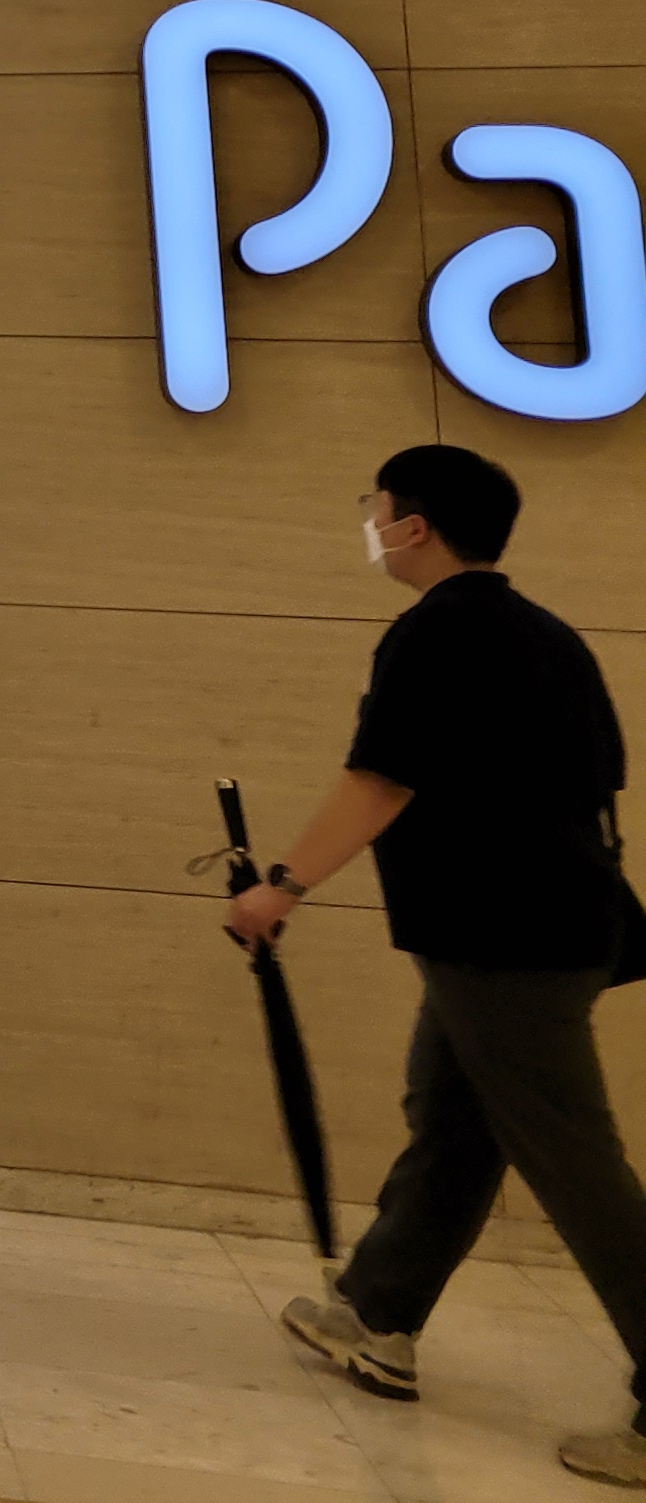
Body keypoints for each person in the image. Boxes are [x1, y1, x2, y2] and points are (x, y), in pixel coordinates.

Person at [233, 447, 646, 1483]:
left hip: (503, 939)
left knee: (575, 1163)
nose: (370, 524)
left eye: (376, 508)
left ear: (413, 526)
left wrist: (281, 886)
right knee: (455, 1123)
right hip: (555, 928)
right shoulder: (547, 635)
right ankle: (378, 1315)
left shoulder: (432, 635)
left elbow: (379, 785)